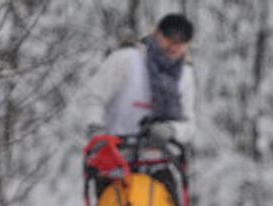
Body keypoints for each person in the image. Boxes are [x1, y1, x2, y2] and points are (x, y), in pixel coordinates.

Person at [78, 13, 195, 145]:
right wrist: (95, 128)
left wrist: (171, 129)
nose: (174, 46)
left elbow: (188, 125)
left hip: (159, 158)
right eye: (169, 38)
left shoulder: (185, 75)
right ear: (157, 34)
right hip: (111, 153)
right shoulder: (126, 59)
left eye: (181, 42)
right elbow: (93, 97)